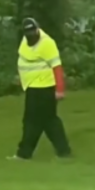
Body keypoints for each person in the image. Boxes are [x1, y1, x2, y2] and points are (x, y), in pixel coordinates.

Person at [7, 17, 72, 160]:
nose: (31, 36)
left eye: (32, 32)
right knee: (42, 121)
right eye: (28, 33)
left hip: (45, 87)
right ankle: (61, 151)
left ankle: (25, 153)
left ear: (37, 29)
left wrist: (60, 89)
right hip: (32, 86)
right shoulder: (25, 40)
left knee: (39, 121)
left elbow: (57, 67)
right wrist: (21, 76)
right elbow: (26, 59)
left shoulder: (47, 43)